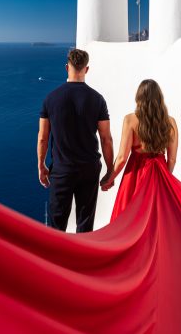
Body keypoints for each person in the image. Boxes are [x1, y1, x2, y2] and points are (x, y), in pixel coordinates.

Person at [37, 48, 114, 232]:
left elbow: (42, 138)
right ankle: (82, 259)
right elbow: (106, 139)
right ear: (86, 69)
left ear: (67, 67)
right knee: (85, 222)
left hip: (62, 170)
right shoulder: (98, 100)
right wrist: (110, 169)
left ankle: (55, 260)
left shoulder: (50, 99)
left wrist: (41, 165)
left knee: (57, 224)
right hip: (89, 169)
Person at [100, 79, 178, 221]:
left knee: (130, 219)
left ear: (139, 98)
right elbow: (172, 159)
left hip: (136, 174)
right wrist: (164, 179)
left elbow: (122, 158)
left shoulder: (130, 120)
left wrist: (109, 179)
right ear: (159, 98)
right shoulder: (170, 122)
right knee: (156, 219)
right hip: (159, 174)